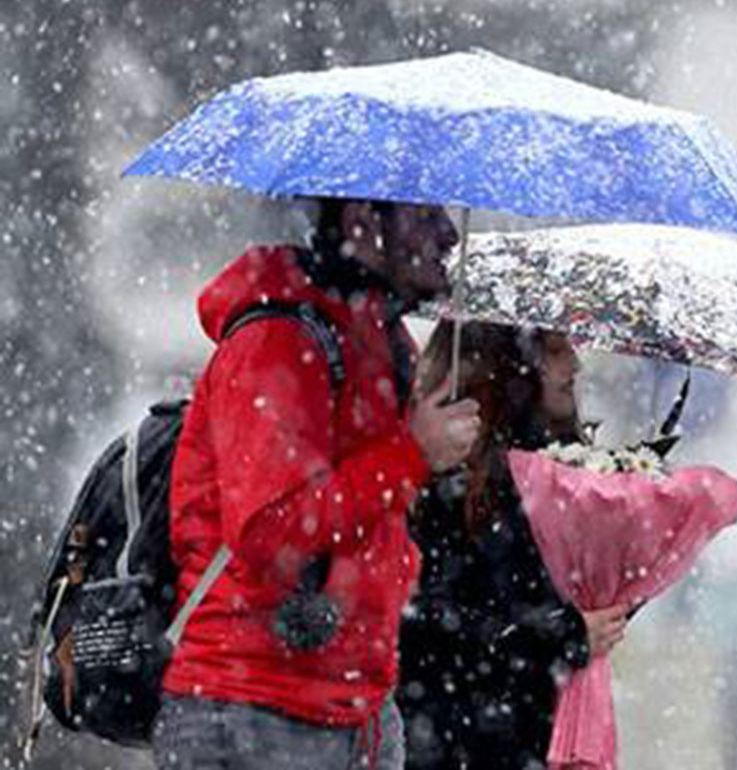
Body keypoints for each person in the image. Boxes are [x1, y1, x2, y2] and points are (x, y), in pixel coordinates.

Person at [154, 199, 482, 770]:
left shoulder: (380, 342)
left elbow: (374, 520)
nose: (449, 233)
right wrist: (411, 455)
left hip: (358, 712)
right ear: (361, 218)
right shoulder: (278, 339)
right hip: (256, 712)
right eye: (426, 214)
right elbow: (271, 528)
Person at [398, 321, 629, 770]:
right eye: (558, 349)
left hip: (533, 734)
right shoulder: (443, 472)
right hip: (448, 742)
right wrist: (557, 636)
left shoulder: (560, 468)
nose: (575, 365)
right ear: (508, 359)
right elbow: (418, 623)